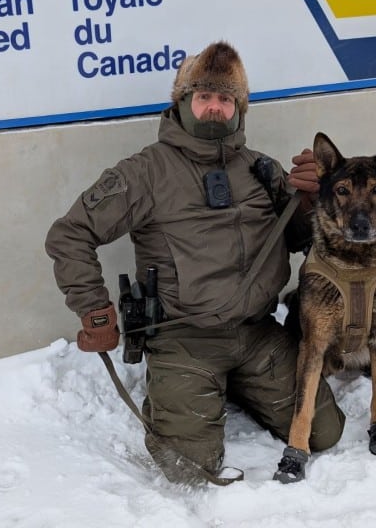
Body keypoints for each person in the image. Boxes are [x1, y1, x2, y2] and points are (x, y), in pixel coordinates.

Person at [44, 41, 345, 485]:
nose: (214, 108)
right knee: (188, 468)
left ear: (240, 110)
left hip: (257, 333)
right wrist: (95, 309)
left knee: (324, 432)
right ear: (182, 102)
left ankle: (234, 383)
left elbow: (304, 241)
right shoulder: (145, 172)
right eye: (204, 97)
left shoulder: (262, 169)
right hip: (184, 338)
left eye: (226, 99)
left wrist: (311, 202)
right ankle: (180, 386)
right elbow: (70, 234)